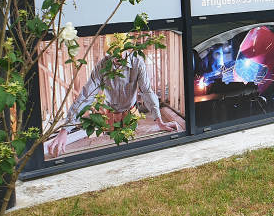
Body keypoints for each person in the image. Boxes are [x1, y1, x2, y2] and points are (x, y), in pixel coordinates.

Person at [45, 49, 181, 157]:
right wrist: (65, 130)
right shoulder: (103, 65)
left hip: (131, 115)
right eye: (112, 53)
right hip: (109, 116)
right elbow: (86, 96)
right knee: (111, 152)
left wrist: (159, 121)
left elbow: (147, 92)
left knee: (133, 152)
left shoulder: (137, 63)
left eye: (119, 53)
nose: (116, 58)